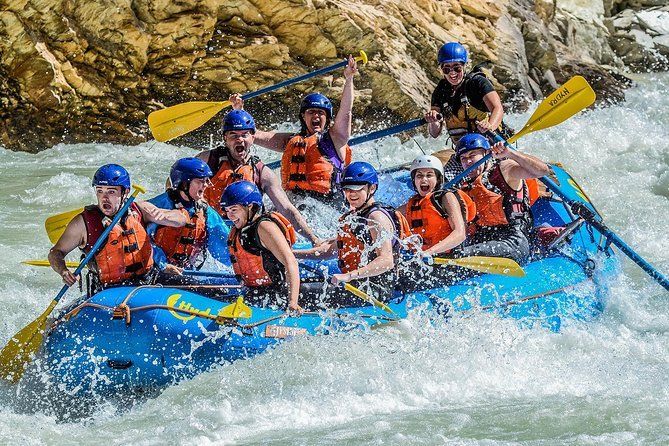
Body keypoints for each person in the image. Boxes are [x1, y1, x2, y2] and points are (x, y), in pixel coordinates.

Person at [230, 56, 357, 207]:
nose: (316, 116)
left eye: (320, 113)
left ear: (327, 118)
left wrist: (349, 79)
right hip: (294, 204)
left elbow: (346, 111)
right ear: (303, 116)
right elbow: (253, 135)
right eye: (311, 112)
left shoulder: (336, 138)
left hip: (327, 205)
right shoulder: (291, 141)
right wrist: (239, 110)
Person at [48, 164, 188, 293]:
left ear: (125, 192)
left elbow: (181, 219)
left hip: (148, 281)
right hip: (109, 291)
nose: (104, 198)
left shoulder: (139, 210)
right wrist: (63, 271)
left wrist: (165, 216)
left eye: (111, 192)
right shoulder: (83, 224)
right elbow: (55, 253)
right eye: (100, 191)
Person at [196, 109, 322, 246]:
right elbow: (179, 186)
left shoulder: (262, 173)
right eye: (233, 135)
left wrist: (313, 239)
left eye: (245, 135)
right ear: (225, 138)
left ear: (253, 138)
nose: (240, 139)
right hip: (211, 227)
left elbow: (287, 209)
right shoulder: (207, 161)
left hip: (243, 233)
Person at [295, 162, 410, 307]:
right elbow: (331, 251)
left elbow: (386, 261)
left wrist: (348, 276)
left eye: (357, 189)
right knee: (294, 284)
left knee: (298, 292)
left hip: (374, 290)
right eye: (347, 189)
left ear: (372, 188)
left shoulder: (376, 217)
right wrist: (293, 254)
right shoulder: (354, 216)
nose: (351, 194)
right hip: (356, 284)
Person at [455, 133, 550, 264]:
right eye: (463, 158)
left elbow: (542, 171)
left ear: (486, 154)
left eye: (472, 155)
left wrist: (511, 154)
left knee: (457, 256)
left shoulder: (504, 170)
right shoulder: (464, 188)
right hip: (482, 241)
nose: (468, 162)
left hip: (513, 241)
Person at [425, 42, 512, 180]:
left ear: (464, 66)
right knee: (442, 182)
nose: (452, 73)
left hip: (491, 148)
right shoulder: (440, 91)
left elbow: (498, 108)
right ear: (441, 69)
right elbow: (435, 133)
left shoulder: (477, 82)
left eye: (457, 68)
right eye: (446, 69)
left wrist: (490, 125)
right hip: (463, 154)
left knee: (490, 179)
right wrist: (432, 120)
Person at [221, 181, 303, 313]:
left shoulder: (264, 227)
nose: (230, 215)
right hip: (256, 293)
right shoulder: (240, 229)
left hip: (277, 295)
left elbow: (290, 262)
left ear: (250, 207)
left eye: (234, 210)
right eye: (227, 210)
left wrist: (293, 302)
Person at [396, 155, 475, 289]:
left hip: (451, 261)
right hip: (426, 261)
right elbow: (389, 216)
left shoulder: (446, 197)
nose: (424, 179)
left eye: (429, 175)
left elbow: (460, 233)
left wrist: (430, 252)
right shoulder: (412, 203)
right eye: (419, 176)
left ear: (438, 179)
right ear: (414, 180)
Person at [147, 157, 231, 283]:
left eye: (206, 181)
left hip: (185, 273)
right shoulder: (159, 205)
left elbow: (224, 247)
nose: (206, 185)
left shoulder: (205, 212)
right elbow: (142, 239)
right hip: (155, 271)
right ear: (184, 184)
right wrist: (162, 264)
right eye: (200, 181)